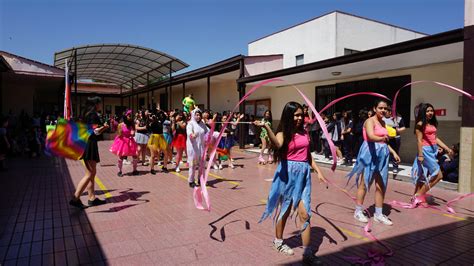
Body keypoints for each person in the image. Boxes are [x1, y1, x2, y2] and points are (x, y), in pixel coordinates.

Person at [256, 102, 327, 264]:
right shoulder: (283, 132)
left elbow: (307, 155)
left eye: (301, 115)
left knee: (305, 213)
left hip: (303, 176)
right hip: (287, 175)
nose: (300, 118)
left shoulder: (304, 132)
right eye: (296, 115)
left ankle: (307, 253)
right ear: (289, 116)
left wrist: (319, 172)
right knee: (286, 210)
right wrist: (267, 128)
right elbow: (278, 144)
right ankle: (278, 242)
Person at [348, 100, 401, 226]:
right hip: (370, 153)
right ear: (374, 108)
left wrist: (393, 152)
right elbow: (371, 136)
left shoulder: (383, 122)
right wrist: (383, 138)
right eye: (380, 108)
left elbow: (384, 142)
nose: (383, 110)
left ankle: (378, 214)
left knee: (380, 185)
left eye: (385, 108)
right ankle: (358, 211)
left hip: (382, 154)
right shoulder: (369, 121)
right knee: (364, 183)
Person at [70, 96, 109, 209]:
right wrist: (105, 127)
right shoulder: (93, 115)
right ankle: (75, 197)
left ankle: (92, 197)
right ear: (95, 104)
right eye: (99, 103)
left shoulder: (86, 114)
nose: (100, 105)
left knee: (92, 172)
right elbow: (95, 131)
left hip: (86, 143)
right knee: (89, 174)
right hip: (90, 144)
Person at [411, 103, 453, 203]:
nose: (430, 113)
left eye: (431, 111)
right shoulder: (420, 124)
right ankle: (418, 195)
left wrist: (446, 148)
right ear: (423, 112)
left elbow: (434, 138)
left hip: (433, 151)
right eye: (427, 111)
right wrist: (420, 155)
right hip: (425, 151)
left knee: (423, 175)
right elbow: (419, 141)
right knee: (438, 175)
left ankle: (417, 196)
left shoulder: (432, 123)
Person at [110, 110, 139, 177]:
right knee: (122, 157)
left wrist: (133, 133)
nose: (130, 117)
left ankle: (135, 170)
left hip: (131, 141)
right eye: (128, 115)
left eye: (130, 115)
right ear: (125, 116)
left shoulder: (131, 124)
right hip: (123, 142)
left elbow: (133, 134)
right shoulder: (121, 125)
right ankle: (119, 171)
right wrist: (121, 133)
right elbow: (119, 134)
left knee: (135, 156)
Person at [186, 109, 209, 187]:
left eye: (199, 115)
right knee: (192, 165)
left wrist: (219, 134)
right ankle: (191, 181)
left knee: (202, 165)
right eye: (196, 115)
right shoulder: (190, 124)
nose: (198, 116)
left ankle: (200, 179)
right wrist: (192, 135)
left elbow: (208, 133)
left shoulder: (203, 124)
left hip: (201, 148)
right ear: (193, 115)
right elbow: (189, 132)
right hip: (193, 148)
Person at [383, 108, 406, 174]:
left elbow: (403, 127)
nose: (384, 112)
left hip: (396, 138)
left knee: (395, 152)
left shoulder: (398, 118)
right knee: (385, 152)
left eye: (386, 111)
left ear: (390, 112)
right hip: (386, 138)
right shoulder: (382, 119)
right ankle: (385, 166)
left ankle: (395, 167)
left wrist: (398, 130)